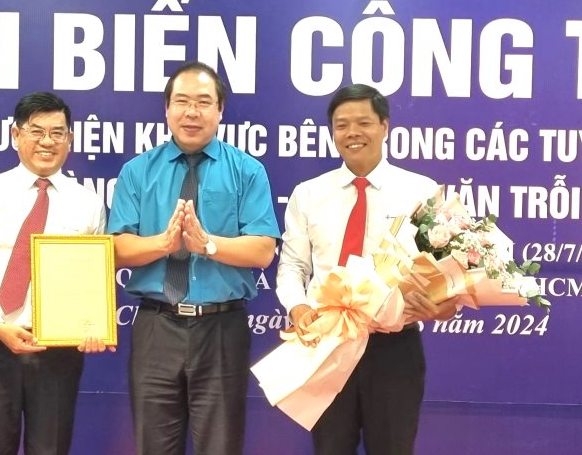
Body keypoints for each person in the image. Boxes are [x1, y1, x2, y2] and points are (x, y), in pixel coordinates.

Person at [275, 84, 458, 455]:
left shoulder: (420, 191)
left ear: (385, 126)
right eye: (342, 125)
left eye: (363, 123)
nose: (352, 133)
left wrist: (443, 305)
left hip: (394, 348)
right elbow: (292, 265)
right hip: (328, 344)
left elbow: (448, 273)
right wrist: (298, 308)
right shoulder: (308, 194)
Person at [108, 61, 280, 455]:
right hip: (156, 325)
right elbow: (115, 248)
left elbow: (263, 250)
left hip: (221, 328)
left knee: (220, 446)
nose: (192, 112)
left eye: (204, 102)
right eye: (181, 101)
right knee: (154, 445)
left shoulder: (247, 171)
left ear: (220, 110)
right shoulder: (137, 171)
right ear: (166, 109)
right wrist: (164, 245)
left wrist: (209, 245)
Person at [0, 91, 113, 455]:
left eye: (57, 132)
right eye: (36, 131)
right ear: (15, 135)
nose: (47, 141)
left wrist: (91, 328)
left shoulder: (88, 203)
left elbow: (92, 280)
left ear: (70, 139)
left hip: (57, 355)